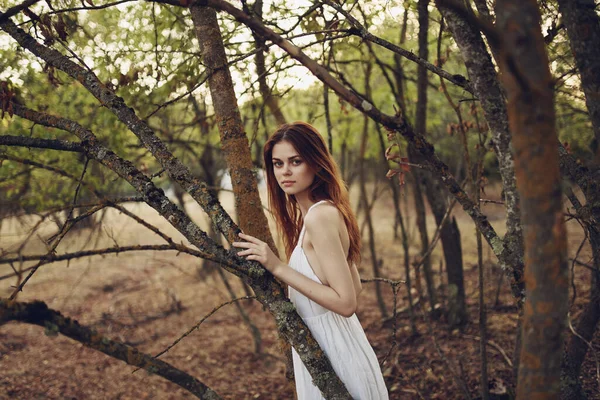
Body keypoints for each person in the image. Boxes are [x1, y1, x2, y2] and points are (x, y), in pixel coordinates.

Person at [233, 122, 389, 399]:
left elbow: (347, 302)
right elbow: (356, 288)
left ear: (316, 163)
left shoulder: (320, 216)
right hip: (335, 347)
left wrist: (277, 267)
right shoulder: (323, 212)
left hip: (337, 356)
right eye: (277, 164)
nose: (285, 172)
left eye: (296, 161)